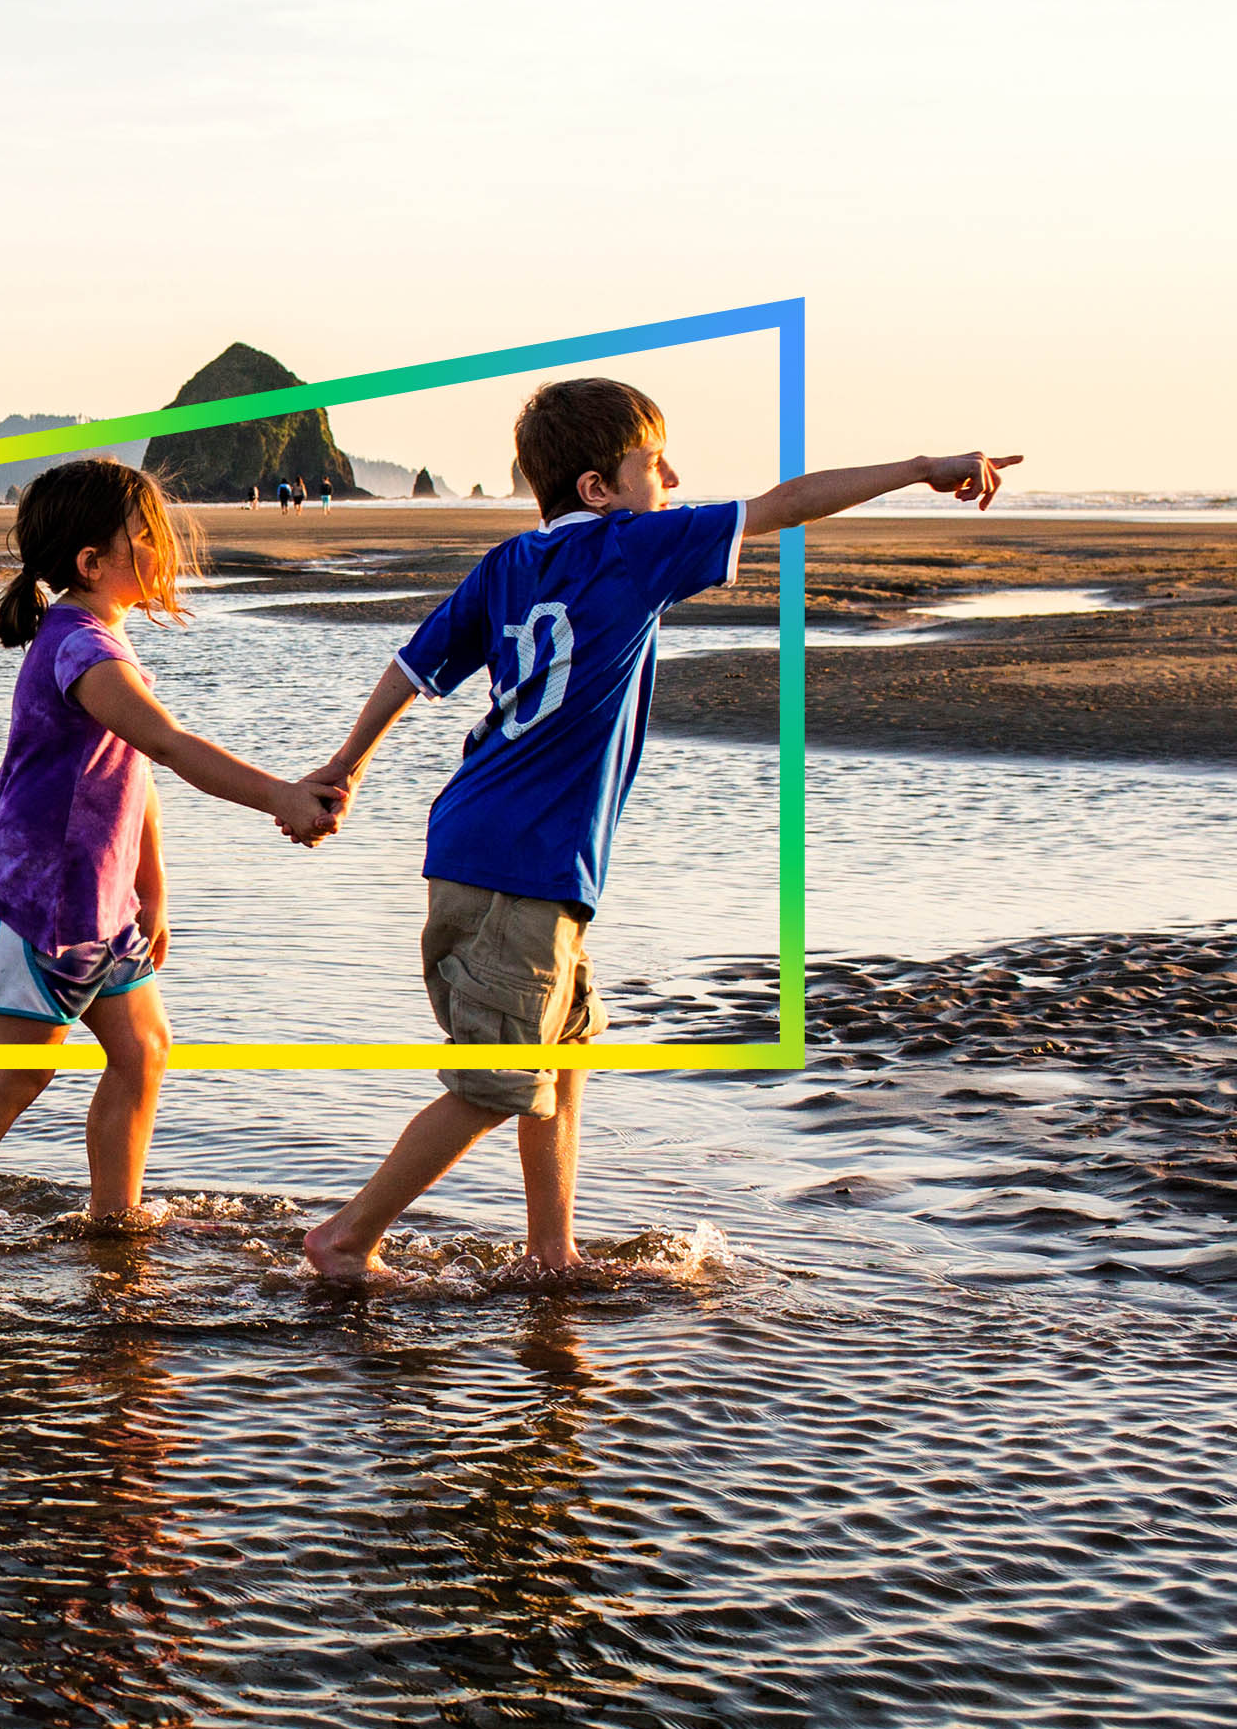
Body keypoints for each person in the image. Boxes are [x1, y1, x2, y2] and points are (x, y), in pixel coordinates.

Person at [295, 377, 1019, 1279]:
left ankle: (551, 1254)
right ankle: (345, 1238)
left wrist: (347, 765)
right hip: (520, 864)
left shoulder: (509, 564)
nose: (672, 476)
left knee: (562, 1056)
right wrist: (920, 468)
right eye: (653, 462)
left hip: (497, 850)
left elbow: (411, 668)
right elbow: (784, 505)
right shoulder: (631, 546)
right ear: (600, 490)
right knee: (493, 1081)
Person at [0, 458, 347, 1232]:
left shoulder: (98, 639)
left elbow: (132, 777)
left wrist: (154, 892)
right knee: (22, 1070)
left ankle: (115, 1223)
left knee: (143, 1052)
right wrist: (278, 794)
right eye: (149, 534)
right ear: (92, 562)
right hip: (36, 900)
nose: (167, 546)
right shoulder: (81, 648)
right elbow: (168, 745)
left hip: (104, 903)